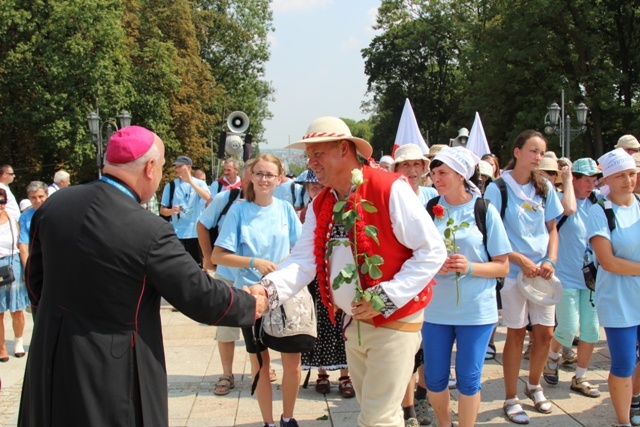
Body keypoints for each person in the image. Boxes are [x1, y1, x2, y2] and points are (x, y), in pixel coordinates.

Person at [17, 125, 264, 427]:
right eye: (161, 167)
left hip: (50, 355)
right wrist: (250, 305)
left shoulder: (56, 204)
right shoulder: (148, 229)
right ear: (150, 168)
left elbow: (35, 281)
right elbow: (198, 294)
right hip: (113, 368)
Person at [250, 116, 446, 427]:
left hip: (393, 321)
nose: (311, 163)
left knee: (376, 418)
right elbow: (303, 260)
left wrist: (385, 297)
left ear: (344, 149)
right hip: (352, 321)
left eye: (318, 154)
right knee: (380, 412)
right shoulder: (322, 203)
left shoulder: (388, 187)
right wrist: (266, 290)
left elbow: (432, 250)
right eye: (308, 156)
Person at [212, 154, 303, 427]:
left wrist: (284, 271)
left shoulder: (286, 209)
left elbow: (300, 251)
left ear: (279, 178)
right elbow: (218, 255)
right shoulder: (239, 210)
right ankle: (268, 422)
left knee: (292, 363)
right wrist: (254, 262)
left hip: (284, 293)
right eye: (260, 174)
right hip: (251, 296)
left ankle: (288, 417)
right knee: (260, 365)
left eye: (270, 175)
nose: (264, 179)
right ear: (250, 176)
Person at [424, 147, 511, 427]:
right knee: (434, 378)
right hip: (435, 310)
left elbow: (503, 266)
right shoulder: (429, 210)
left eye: (443, 172)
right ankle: (443, 423)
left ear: (462, 175)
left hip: (476, 310)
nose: (436, 178)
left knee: (468, 378)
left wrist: (469, 266)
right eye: (434, 173)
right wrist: (436, 266)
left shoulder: (484, 210)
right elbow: (417, 257)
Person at [484, 130, 563, 425]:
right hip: (515, 274)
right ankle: (510, 397)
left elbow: (552, 229)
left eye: (541, 152)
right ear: (516, 152)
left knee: (545, 333)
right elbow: (492, 233)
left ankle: (534, 385)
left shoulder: (545, 187)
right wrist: (518, 259)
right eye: (532, 151)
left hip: (542, 274)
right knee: (516, 333)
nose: (538, 157)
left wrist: (550, 260)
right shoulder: (498, 188)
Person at [587, 148, 640, 427]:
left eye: (632, 174)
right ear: (607, 178)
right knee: (623, 362)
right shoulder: (600, 212)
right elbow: (608, 261)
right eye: (620, 175)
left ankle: (636, 398)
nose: (628, 180)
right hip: (619, 299)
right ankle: (623, 421)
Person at [542, 158, 601, 398]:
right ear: (573, 179)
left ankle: (581, 377)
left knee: (591, 331)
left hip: (592, 278)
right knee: (567, 328)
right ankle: (552, 356)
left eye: (594, 179)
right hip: (565, 277)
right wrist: (566, 182)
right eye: (585, 179)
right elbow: (569, 209)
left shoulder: (598, 201)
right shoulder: (559, 199)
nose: (591, 184)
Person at [299, 169, 354, 400]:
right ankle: (321, 372)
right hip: (316, 278)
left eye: (320, 187)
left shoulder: (343, 206)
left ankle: (345, 375)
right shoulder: (305, 214)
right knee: (319, 326)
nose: (317, 191)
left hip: (343, 277)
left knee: (345, 328)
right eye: (312, 187)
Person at [159, 155, 211, 265]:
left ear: (188, 167)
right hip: (177, 233)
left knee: (196, 266)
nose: (177, 169)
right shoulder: (171, 185)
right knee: (178, 265)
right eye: (176, 167)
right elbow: (162, 210)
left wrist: (190, 182)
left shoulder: (200, 183)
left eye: (180, 166)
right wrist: (171, 211)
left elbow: (207, 198)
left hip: (195, 233)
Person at [0, 187, 29, 362]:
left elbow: (21, 245)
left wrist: (26, 268)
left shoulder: (13, 220)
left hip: (13, 263)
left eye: (2, 201)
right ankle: (2, 347)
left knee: (17, 309)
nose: (0, 205)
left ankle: (18, 342)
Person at [18, 181, 48, 277]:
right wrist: (29, 271)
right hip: (37, 261)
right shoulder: (24, 217)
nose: (38, 200)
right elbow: (23, 246)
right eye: (33, 198)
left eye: (40, 196)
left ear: (47, 195)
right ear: (29, 199)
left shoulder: (58, 211)